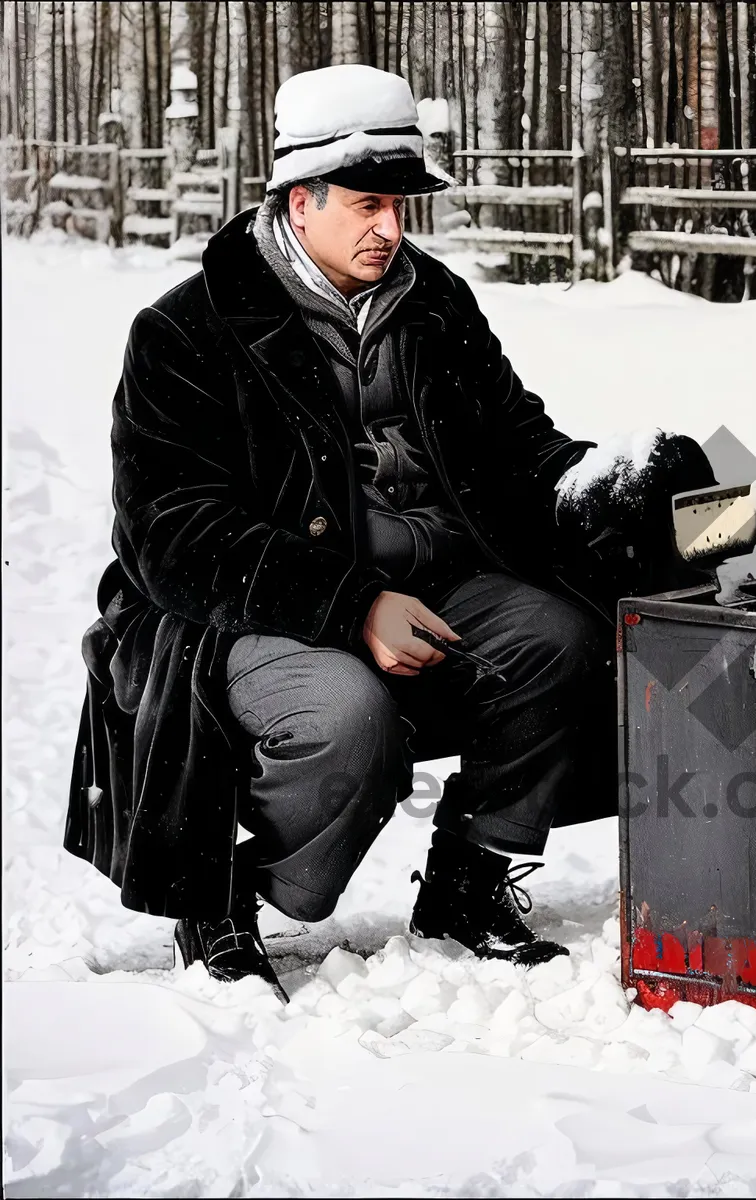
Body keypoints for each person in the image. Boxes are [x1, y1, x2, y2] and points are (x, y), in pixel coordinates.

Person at [65, 64, 715, 1002]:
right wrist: (353, 603)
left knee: (561, 642)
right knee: (349, 721)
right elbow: (172, 531)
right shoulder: (187, 332)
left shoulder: (435, 303)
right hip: (249, 609)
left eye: (402, 206)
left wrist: (610, 484)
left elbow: (516, 444)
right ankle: (223, 894)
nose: (391, 229)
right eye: (368, 204)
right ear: (302, 197)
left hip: (438, 579)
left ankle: (467, 881)